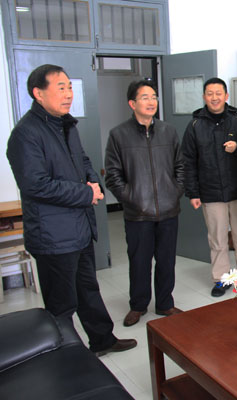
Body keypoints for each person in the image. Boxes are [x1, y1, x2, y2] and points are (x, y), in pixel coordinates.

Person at [6, 64, 137, 356]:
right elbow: (36, 185)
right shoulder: (25, 134)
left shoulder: (66, 125)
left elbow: (83, 161)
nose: (68, 94)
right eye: (60, 88)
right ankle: (64, 357)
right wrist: (85, 193)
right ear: (38, 93)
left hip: (78, 228)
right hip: (52, 236)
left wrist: (94, 183)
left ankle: (102, 340)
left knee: (89, 290)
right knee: (61, 304)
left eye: (69, 87)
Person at [104, 80, 184, 327]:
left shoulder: (169, 131)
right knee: (139, 262)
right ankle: (138, 305)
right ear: (132, 103)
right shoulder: (119, 134)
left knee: (166, 260)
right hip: (137, 213)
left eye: (154, 97)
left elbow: (181, 166)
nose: (151, 102)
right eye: (145, 97)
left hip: (168, 210)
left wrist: (175, 191)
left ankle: (165, 303)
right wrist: (131, 198)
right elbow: (112, 175)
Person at [181, 77, 237, 297]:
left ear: (226, 96)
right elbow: (188, 161)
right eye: (210, 93)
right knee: (217, 239)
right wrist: (193, 192)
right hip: (210, 192)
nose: (214, 98)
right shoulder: (195, 125)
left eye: (218, 93)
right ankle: (221, 279)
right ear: (204, 97)